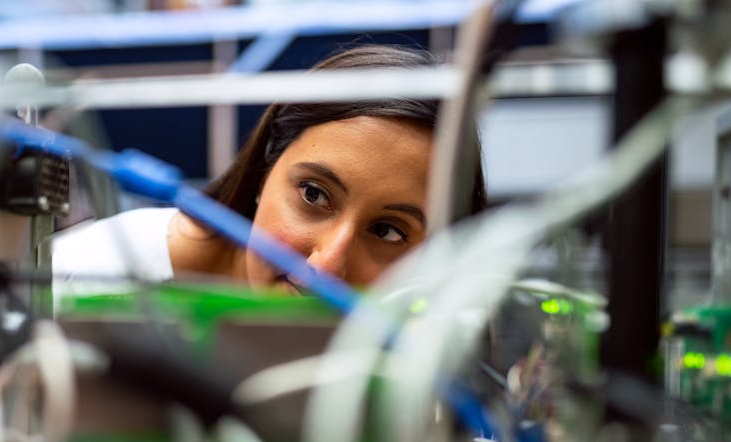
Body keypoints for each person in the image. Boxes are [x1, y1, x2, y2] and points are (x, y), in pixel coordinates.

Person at [51, 43, 486, 296]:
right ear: (264, 172)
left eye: (388, 231)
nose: (326, 265)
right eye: (314, 195)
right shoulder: (82, 280)